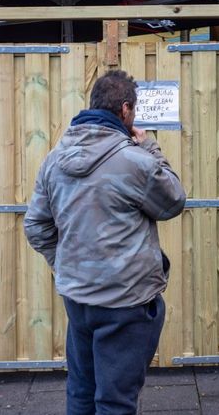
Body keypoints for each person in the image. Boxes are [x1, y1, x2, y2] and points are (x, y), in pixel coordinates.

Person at [24, 69, 187, 415]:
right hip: (126, 303)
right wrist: (151, 145)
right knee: (116, 402)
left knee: (81, 393)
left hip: (78, 300)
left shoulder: (54, 160)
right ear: (126, 110)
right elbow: (173, 200)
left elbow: (37, 226)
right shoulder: (135, 161)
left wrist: (67, 264)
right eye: (135, 110)